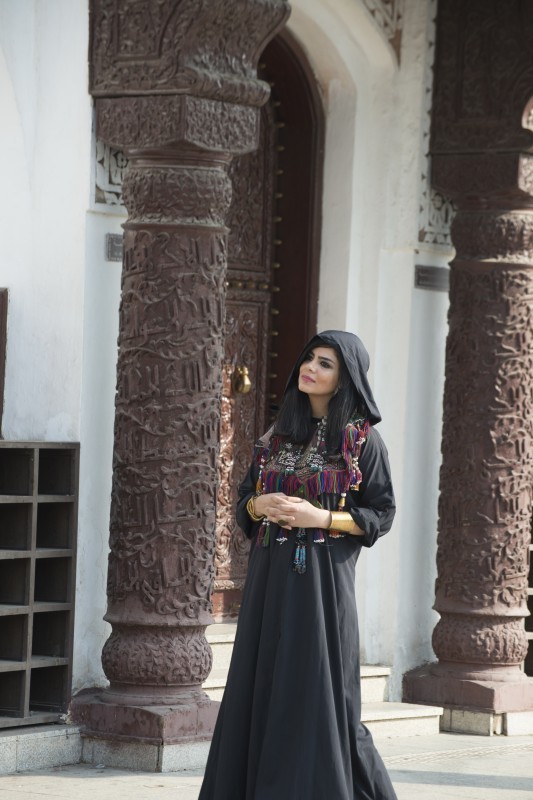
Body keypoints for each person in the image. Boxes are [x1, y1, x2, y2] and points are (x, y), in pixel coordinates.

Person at [199, 330, 397, 800]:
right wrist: (259, 504)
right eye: (309, 358)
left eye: (325, 363)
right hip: (268, 580)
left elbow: (381, 514)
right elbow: (244, 500)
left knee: (323, 694)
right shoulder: (276, 437)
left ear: (345, 377)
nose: (311, 368)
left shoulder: (362, 442)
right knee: (261, 684)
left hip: (323, 585)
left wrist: (320, 517)